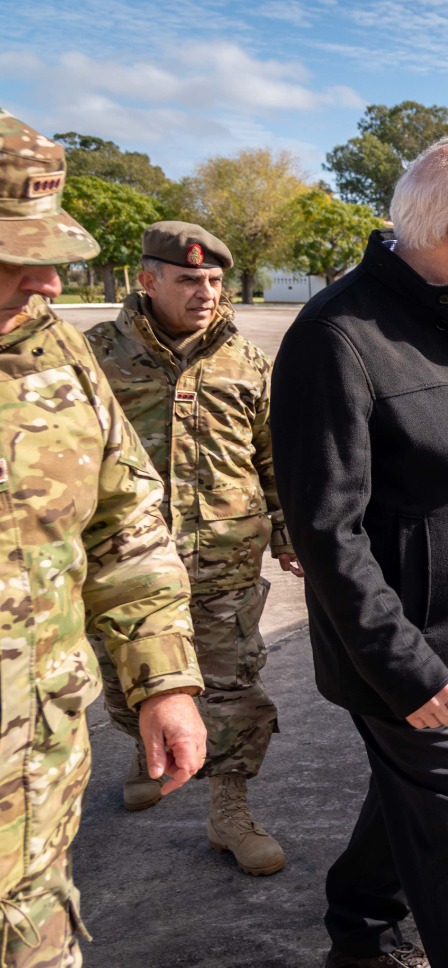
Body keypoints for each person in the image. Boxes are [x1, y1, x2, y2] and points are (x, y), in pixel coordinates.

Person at [272, 134, 448, 968]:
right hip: (412, 651)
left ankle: (358, 931)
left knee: (413, 809)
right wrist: (408, 670)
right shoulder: (337, 336)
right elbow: (327, 528)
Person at [0, 111, 207, 967]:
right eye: (14, 256)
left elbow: (124, 520)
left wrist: (162, 680)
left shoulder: (51, 352)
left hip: (35, 789)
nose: (48, 281)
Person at [85, 221, 299, 876]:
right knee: (125, 683)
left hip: (226, 559)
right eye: (189, 280)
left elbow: (275, 456)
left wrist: (290, 534)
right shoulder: (95, 355)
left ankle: (229, 809)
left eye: (214, 280)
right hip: (126, 564)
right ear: (147, 282)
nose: (206, 293)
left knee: (234, 683)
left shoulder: (245, 361)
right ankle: (141, 737)